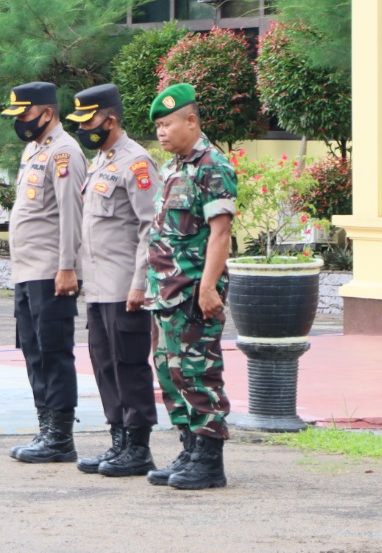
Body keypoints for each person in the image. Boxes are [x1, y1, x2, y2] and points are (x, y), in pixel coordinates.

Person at [143, 83, 237, 490]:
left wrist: (209, 287)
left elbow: (220, 232)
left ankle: (209, 459)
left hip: (196, 290)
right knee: (169, 372)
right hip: (165, 290)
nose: (161, 132)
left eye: (168, 124)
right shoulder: (172, 169)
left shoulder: (211, 164)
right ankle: (189, 448)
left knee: (199, 371)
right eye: (158, 126)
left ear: (192, 121)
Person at [67, 83, 160, 477]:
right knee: (104, 365)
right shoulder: (101, 160)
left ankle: (138, 446)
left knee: (129, 365)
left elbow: (149, 228)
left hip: (126, 287)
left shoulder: (136, 163)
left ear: (111, 119)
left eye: (89, 121)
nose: (85, 129)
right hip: (99, 288)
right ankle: (118, 439)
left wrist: (140, 282)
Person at [3, 81, 86, 464]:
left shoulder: (65, 152)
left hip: (52, 270)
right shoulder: (34, 148)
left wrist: (67, 266)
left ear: (46, 113)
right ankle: (45, 427)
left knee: (54, 352)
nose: (20, 121)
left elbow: (71, 213)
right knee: (34, 351)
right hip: (27, 269)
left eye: (24, 114)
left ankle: (60, 436)